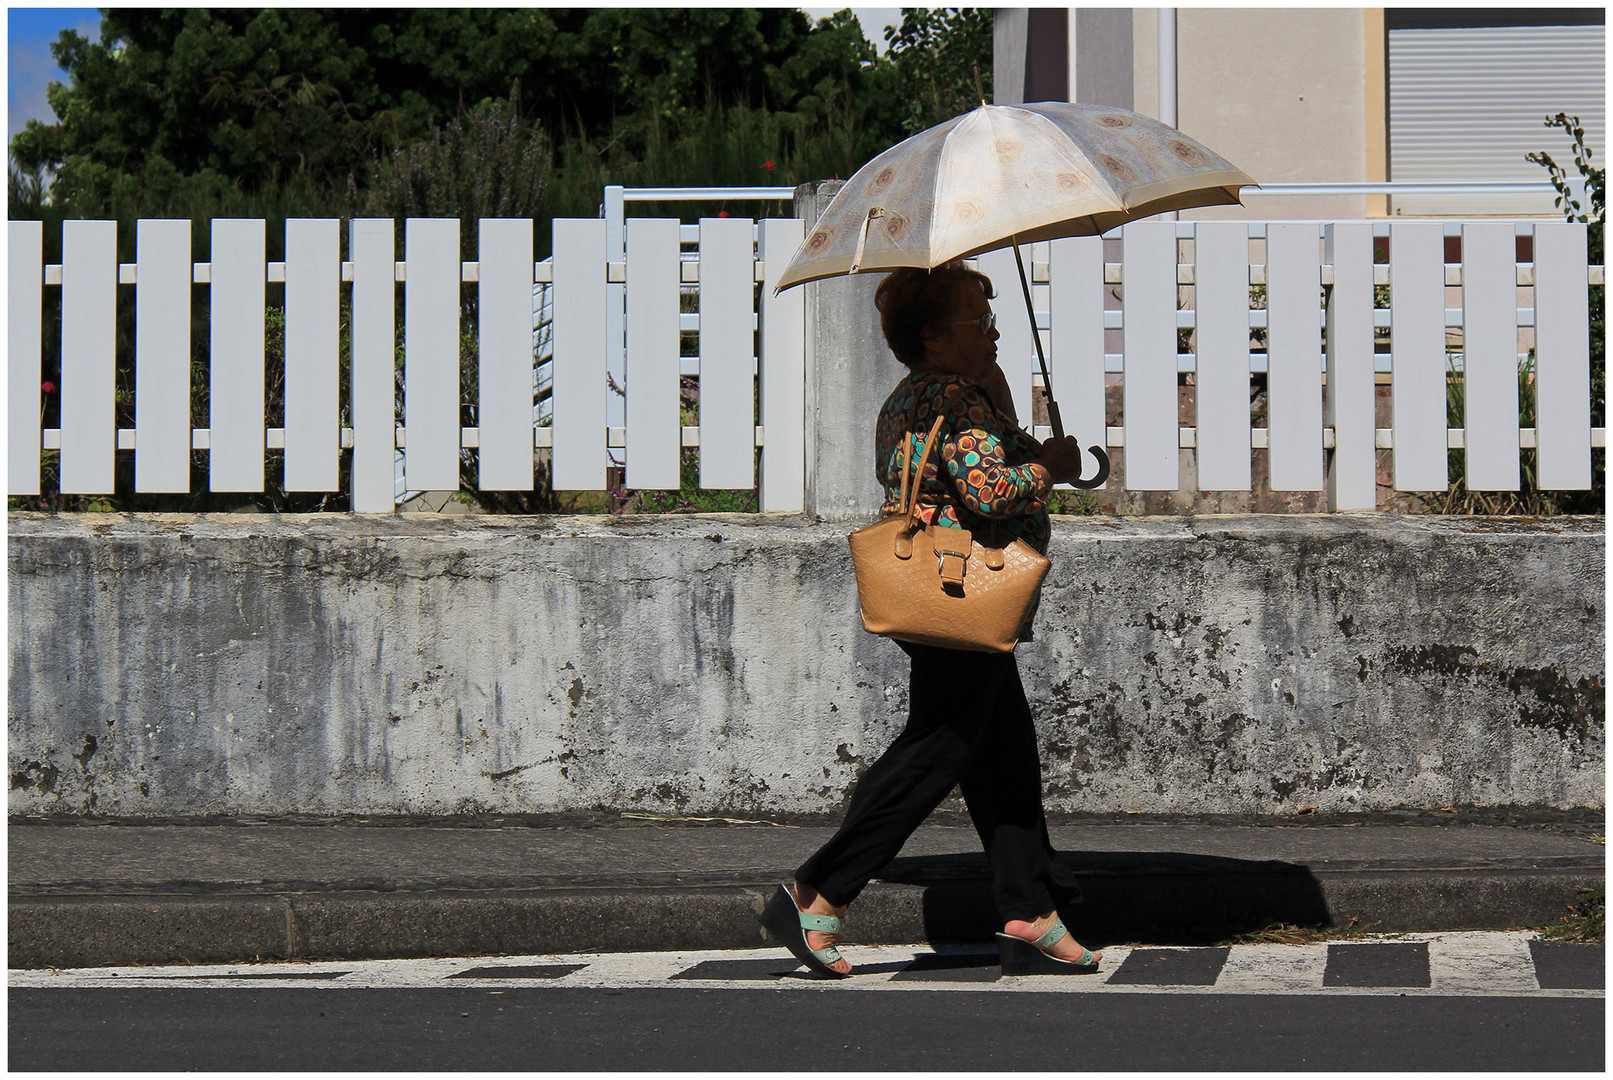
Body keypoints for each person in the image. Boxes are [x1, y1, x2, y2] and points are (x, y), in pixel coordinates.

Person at [760, 262, 1101, 978]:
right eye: (979, 320)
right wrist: (1050, 467)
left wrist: (1001, 402)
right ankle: (817, 889)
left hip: (933, 594)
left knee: (1003, 752)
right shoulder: (952, 397)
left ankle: (1028, 908)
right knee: (937, 749)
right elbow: (990, 492)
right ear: (935, 337)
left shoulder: (914, 397)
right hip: (961, 593)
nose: (993, 327)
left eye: (990, 316)